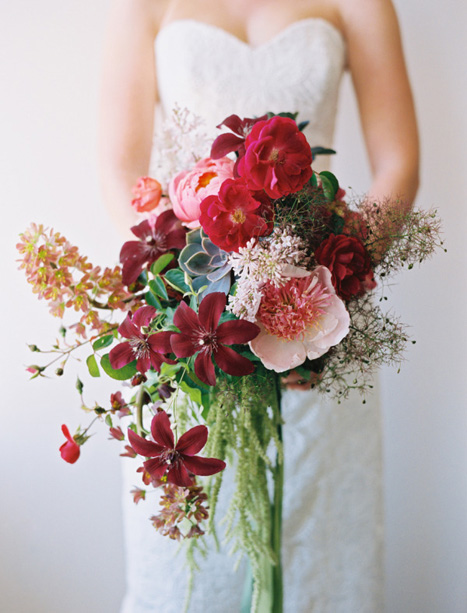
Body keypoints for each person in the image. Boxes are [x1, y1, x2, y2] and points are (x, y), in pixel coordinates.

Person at [99, 1, 419, 611]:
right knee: (192, 556)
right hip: (194, 331)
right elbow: (119, 170)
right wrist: (188, 287)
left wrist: (325, 283)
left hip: (319, 330)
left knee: (321, 556)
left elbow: (399, 164)